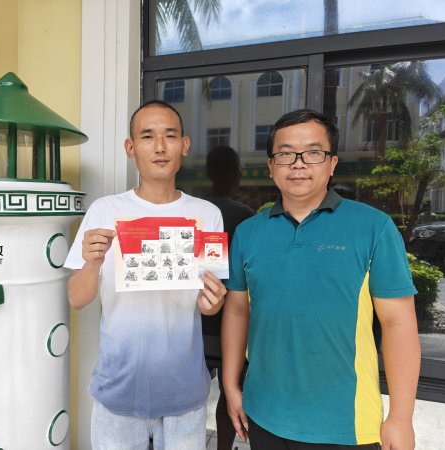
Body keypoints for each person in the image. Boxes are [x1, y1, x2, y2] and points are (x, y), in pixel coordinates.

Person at [222, 109, 420, 450]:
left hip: (345, 425)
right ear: (271, 166)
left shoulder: (373, 227)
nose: (298, 164)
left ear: (332, 163)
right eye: (285, 154)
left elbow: (398, 324)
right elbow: (238, 311)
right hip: (263, 414)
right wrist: (230, 386)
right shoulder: (248, 232)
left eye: (313, 153)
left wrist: (401, 419)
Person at [65, 100, 228, 450]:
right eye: (147, 136)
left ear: (185, 145)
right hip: (118, 387)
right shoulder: (105, 211)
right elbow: (77, 299)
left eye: (170, 136)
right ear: (130, 147)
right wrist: (92, 263)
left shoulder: (207, 215)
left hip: (184, 387)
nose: (159, 147)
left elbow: (209, 305)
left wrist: (213, 303)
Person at [202, 145, 253, 450]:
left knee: (194, 391)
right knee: (229, 390)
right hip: (231, 322)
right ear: (236, 175)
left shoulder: (196, 209)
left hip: (197, 320)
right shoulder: (243, 216)